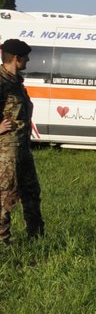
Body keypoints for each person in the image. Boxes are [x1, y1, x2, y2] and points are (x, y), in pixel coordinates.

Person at [0, 39, 43, 245]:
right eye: (26, 57)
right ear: (17, 58)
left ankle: (36, 238)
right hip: (6, 153)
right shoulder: (1, 82)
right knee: (5, 197)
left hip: (23, 150)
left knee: (32, 193)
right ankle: (3, 242)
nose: (28, 60)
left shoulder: (17, 82)